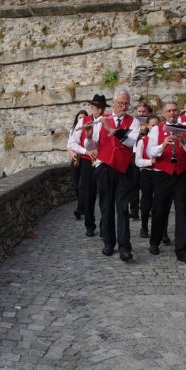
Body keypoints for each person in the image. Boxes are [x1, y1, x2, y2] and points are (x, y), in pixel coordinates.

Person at [82, 87, 140, 261]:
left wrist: (114, 131)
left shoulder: (133, 122)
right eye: (121, 103)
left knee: (122, 208)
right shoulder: (102, 120)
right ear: (114, 103)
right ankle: (108, 242)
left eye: (126, 103)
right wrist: (89, 137)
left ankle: (124, 247)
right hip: (105, 167)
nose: (124, 106)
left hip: (123, 168)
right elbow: (91, 148)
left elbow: (131, 142)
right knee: (106, 207)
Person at [146, 101, 186, 265]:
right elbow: (150, 151)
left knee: (182, 211)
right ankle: (154, 241)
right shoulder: (157, 129)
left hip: (181, 174)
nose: (172, 113)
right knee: (160, 210)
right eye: (169, 111)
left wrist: (183, 142)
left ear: (179, 112)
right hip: (163, 174)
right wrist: (163, 144)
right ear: (164, 114)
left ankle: (182, 250)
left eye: (175, 110)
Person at [68, 96, 108, 237]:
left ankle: (105, 226)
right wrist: (86, 151)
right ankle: (90, 225)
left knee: (105, 194)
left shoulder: (108, 120)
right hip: (87, 161)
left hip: (104, 161)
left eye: (102, 107)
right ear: (93, 108)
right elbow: (72, 144)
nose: (100, 110)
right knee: (88, 194)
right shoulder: (83, 121)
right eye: (97, 107)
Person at [134, 114, 161, 240]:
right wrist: (151, 162)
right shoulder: (142, 141)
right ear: (148, 126)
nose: (155, 127)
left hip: (160, 173)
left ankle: (161, 230)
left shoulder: (163, 141)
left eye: (157, 125)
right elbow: (138, 161)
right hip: (147, 173)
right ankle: (144, 227)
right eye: (153, 125)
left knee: (160, 203)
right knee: (146, 202)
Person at [126, 103, 151, 220]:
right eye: (139, 111)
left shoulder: (152, 125)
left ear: (148, 113)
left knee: (147, 185)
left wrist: (147, 129)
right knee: (133, 184)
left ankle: (146, 208)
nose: (141, 114)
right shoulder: (133, 124)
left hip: (146, 156)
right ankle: (134, 210)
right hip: (134, 154)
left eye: (143, 112)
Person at [67, 109, 88, 218]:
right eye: (80, 118)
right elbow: (69, 146)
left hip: (85, 158)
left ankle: (80, 209)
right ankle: (82, 206)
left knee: (81, 186)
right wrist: (73, 155)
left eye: (83, 118)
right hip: (76, 158)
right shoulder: (73, 130)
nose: (81, 120)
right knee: (76, 185)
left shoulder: (88, 130)